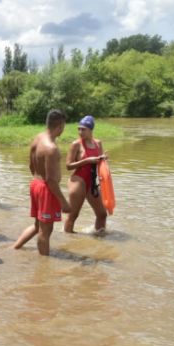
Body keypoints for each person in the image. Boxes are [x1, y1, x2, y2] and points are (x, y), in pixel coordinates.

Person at [13, 109, 71, 255]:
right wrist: (63, 202)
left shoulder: (38, 138)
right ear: (60, 126)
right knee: (46, 230)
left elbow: (31, 165)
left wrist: (38, 181)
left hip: (35, 184)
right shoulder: (51, 148)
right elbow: (51, 180)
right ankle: (44, 265)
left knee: (38, 225)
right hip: (46, 189)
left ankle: (14, 248)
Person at [64, 115, 108, 233]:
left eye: (84, 129)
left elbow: (100, 162)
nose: (80, 132)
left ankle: (100, 239)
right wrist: (87, 160)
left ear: (91, 130)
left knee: (102, 214)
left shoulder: (98, 143)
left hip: (92, 181)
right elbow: (68, 166)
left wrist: (103, 159)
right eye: (79, 129)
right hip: (78, 180)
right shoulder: (76, 144)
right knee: (73, 215)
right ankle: (68, 239)